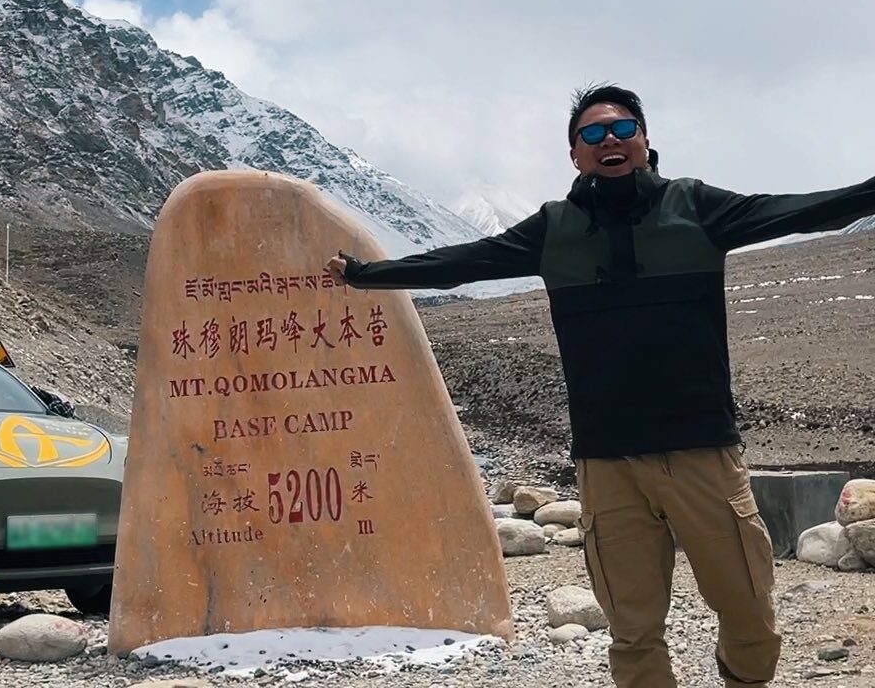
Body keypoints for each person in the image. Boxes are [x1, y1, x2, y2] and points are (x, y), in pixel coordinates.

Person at [326, 84, 875, 688]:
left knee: (750, 616)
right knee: (633, 632)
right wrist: (365, 276)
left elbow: (803, 209)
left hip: (702, 454)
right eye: (591, 134)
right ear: (575, 154)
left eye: (622, 129)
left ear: (645, 141)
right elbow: (464, 262)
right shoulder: (555, 229)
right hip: (607, 463)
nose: (608, 140)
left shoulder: (695, 207)